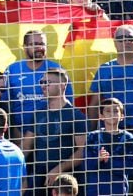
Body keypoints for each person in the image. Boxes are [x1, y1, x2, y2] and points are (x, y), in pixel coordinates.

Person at [86, 24, 133, 171]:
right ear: (114, 42)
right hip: (110, 132)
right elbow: (94, 105)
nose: (126, 41)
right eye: (121, 38)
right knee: (111, 172)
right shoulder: (104, 69)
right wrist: (91, 133)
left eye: (130, 38)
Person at [51, 98, 133, 196]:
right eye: (108, 111)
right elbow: (86, 165)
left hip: (118, 190)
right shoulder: (92, 137)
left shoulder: (129, 139)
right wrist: (98, 159)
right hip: (95, 190)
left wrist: (109, 160)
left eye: (115, 111)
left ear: (122, 116)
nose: (112, 114)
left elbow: (131, 167)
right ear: (101, 116)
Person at [26, 68, 87, 196]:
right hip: (39, 178)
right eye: (42, 82)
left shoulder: (76, 115)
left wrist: (58, 169)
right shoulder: (38, 113)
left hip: (65, 180)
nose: (43, 86)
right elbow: (26, 145)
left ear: (62, 85)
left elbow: (83, 151)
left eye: (48, 82)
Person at [4, 30, 74, 139]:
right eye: (35, 44)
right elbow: (4, 104)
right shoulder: (12, 70)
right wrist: (13, 130)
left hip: (51, 134)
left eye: (42, 44)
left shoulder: (57, 70)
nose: (39, 47)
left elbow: (68, 104)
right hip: (19, 134)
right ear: (25, 47)